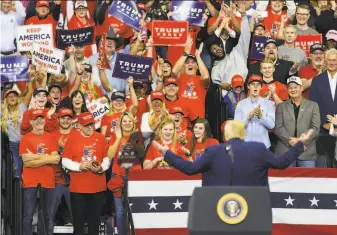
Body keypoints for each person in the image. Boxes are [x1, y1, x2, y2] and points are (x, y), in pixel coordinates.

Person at [151, 120, 313, 186]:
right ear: (243, 134)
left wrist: (167, 154)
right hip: (252, 210)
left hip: (220, 210)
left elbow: (190, 169)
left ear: (225, 135)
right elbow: (282, 163)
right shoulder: (258, 149)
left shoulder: (213, 150)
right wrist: (299, 144)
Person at [62, 112, 110, 235]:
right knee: (78, 224)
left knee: (94, 223)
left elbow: (106, 159)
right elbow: (65, 160)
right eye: (87, 125)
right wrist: (80, 166)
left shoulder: (100, 138)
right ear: (79, 125)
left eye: (92, 125)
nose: (90, 127)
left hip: (97, 187)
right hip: (78, 188)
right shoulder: (72, 139)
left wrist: (101, 168)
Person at [19, 109, 60, 235]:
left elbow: (55, 159)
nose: (39, 121)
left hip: (48, 182)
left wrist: (35, 156)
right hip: (30, 182)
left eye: (41, 118)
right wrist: (46, 158)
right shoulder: (25, 139)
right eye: (36, 118)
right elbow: (26, 162)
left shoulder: (51, 137)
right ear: (31, 121)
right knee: (28, 217)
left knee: (48, 216)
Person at [275, 76, 320, 167]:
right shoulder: (281, 106)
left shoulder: (313, 106)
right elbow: (278, 128)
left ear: (302, 88)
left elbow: (315, 128)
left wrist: (300, 141)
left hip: (307, 152)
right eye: (290, 88)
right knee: (285, 181)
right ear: (287, 90)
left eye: (296, 87)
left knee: (308, 181)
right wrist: (291, 141)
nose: (293, 90)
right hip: (286, 151)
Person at [309, 48, 337, 167]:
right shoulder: (316, 80)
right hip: (323, 130)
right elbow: (313, 106)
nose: (331, 63)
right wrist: (323, 123)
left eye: (334, 60)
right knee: (324, 167)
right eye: (329, 60)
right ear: (325, 61)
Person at [235, 75, 275, 149]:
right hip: (245, 147)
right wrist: (248, 118)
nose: (255, 86)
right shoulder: (240, 105)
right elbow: (236, 128)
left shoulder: (269, 103)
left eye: (258, 84)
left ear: (261, 87)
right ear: (248, 86)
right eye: (253, 84)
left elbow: (272, 125)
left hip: (263, 147)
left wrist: (261, 117)